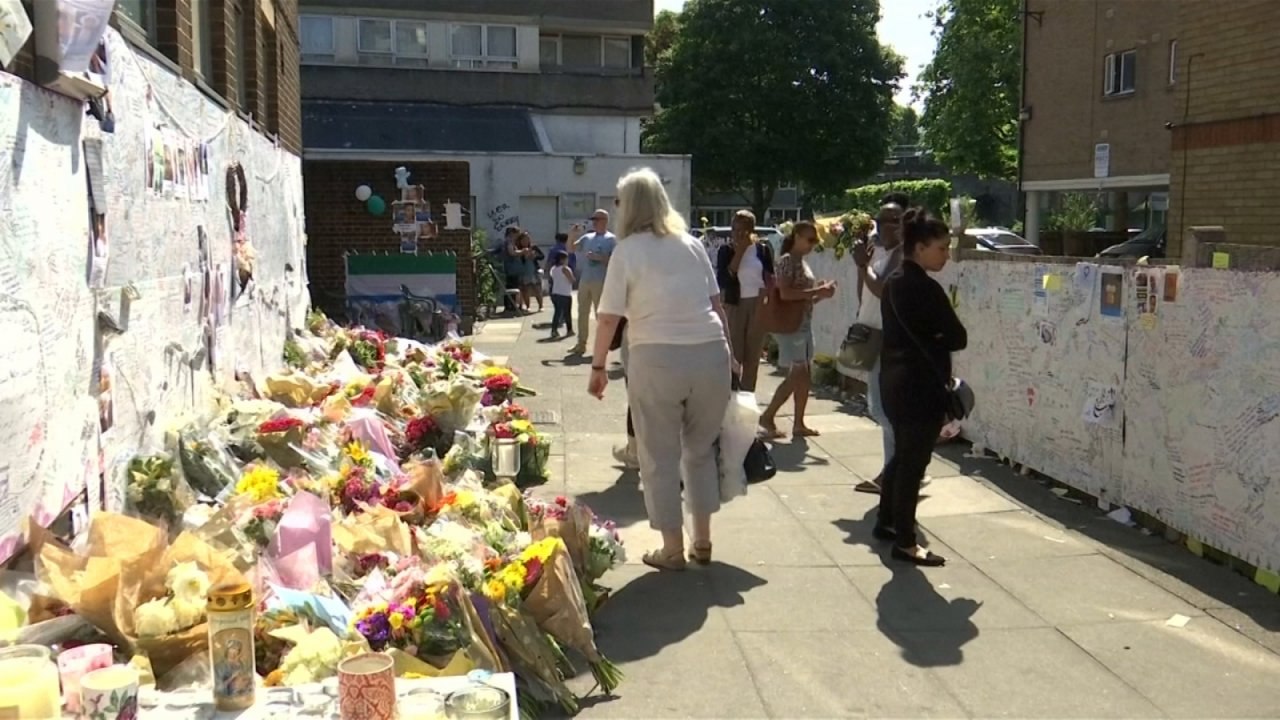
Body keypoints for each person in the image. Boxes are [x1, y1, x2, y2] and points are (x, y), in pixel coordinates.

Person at [588, 168, 736, 571]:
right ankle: (702, 540)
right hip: (710, 355)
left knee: (659, 456)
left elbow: (608, 318)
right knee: (701, 451)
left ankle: (672, 549)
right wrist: (733, 356)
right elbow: (716, 306)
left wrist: (598, 365)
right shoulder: (691, 245)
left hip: (657, 358)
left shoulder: (627, 251)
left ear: (629, 206)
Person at [876, 208, 967, 567]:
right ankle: (906, 541)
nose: (946, 254)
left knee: (901, 456)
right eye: (941, 248)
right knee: (914, 463)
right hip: (920, 387)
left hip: (894, 381)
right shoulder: (926, 288)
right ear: (920, 247)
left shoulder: (894, 283)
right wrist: (939, 336)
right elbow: (958, 337)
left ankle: (886, 522)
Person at [759, 221, 836, 439]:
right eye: (809, 240)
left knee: (803, 376)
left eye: (815, 241)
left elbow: (802, 297)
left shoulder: (800, 262)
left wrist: (819, 294)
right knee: (797, 375)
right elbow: (785, 294)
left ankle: (799, 423)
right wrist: (817, 291)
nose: (812, 245)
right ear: (797, 237)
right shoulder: (787, 261)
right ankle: (768, 415)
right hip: (791, 326)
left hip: (801, 323)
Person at [716, 209, 775, 393]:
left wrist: (768, 304)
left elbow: (770, 278)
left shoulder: (762, 249)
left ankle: (748, 397)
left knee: (753, 355)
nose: (738, 233)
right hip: (735, 304)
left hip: (757, 304)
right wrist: (740, 251)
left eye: (743, 229)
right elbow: (724, 280)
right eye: (735, 229)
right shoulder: (726, 250)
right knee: (734, 354)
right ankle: (730, 397)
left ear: (752, 230)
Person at [571, 209, 617, 354]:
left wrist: (600, 258)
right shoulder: (587, 238)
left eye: (597, 219)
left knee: (600, 315)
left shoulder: (612, 239)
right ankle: (581, 343)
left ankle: (601, 346)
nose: (594, 222)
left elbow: (617, 262)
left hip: (601, 280)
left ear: (605, 221)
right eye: (593, 220)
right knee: (582, 312)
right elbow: (570, 248)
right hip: (585, 279)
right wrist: (572, 234)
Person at [548, 252, 575, 339]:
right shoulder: (565, 269)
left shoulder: (553, 269)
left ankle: (554, 330)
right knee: (567, 313)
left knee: (557, 312)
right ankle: (569, 330)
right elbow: (571, 280)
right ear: (562, 259)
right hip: (565, 293)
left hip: (555, 292)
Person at [500, 227, 525, 315]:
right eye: (517, 233)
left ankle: (511, 305)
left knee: (511, 286)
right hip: (511, 268)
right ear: (512, 233)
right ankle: (511, 306)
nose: (518, 235)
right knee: (512, 287)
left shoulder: (509, 241)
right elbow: (512, 252)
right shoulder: (509, 241)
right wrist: (522, 252)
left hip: (511, 268)